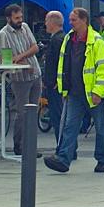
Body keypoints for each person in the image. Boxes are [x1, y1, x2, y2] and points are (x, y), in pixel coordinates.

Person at [45, 7, 104, 174]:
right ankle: (63, 159)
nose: (70, 23)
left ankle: (102, 160)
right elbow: (63, 64)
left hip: (92, 92)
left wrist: (99, 91)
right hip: (74, 92)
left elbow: (103, 68)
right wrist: (62, 86)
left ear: (84, 20)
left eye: (74, 20)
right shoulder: (69, 39)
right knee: (69, 126)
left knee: (101, 128)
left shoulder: (97, 41)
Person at [0, 4, 42, 157]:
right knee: (22, 112)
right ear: (8, 18)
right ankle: (20, 145)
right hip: (20, 78)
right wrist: (22, 64)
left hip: (35, 73)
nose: (19, 21)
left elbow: (35, 47)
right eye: (16, 18)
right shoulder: (3, 34)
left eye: (21, 17)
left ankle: (31, 145)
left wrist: (21, 57)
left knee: (33, 111)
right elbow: (4, 59)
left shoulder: (25, 28)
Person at [41, 10, 65, 144]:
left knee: (58, 116)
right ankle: (64, 147)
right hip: (54, 83)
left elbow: (59, 62)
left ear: (52, 22)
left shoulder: (58, 40)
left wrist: (55, 80)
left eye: (46, 21)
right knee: (58, 116)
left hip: (55, 85)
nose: (45, 24)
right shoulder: (58, 38)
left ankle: (62, 147)